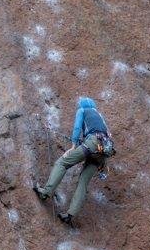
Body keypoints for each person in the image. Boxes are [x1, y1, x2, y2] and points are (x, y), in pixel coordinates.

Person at [33, 97, 115, 227]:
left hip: (92, 144)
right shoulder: (99, 116)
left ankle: (46, 192)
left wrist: (73, 146)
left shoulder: (82, 110)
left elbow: (77, 127)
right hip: (103, 153)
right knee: (83, 182)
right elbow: (106, 135)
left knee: (62, 163)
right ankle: (70, 215)